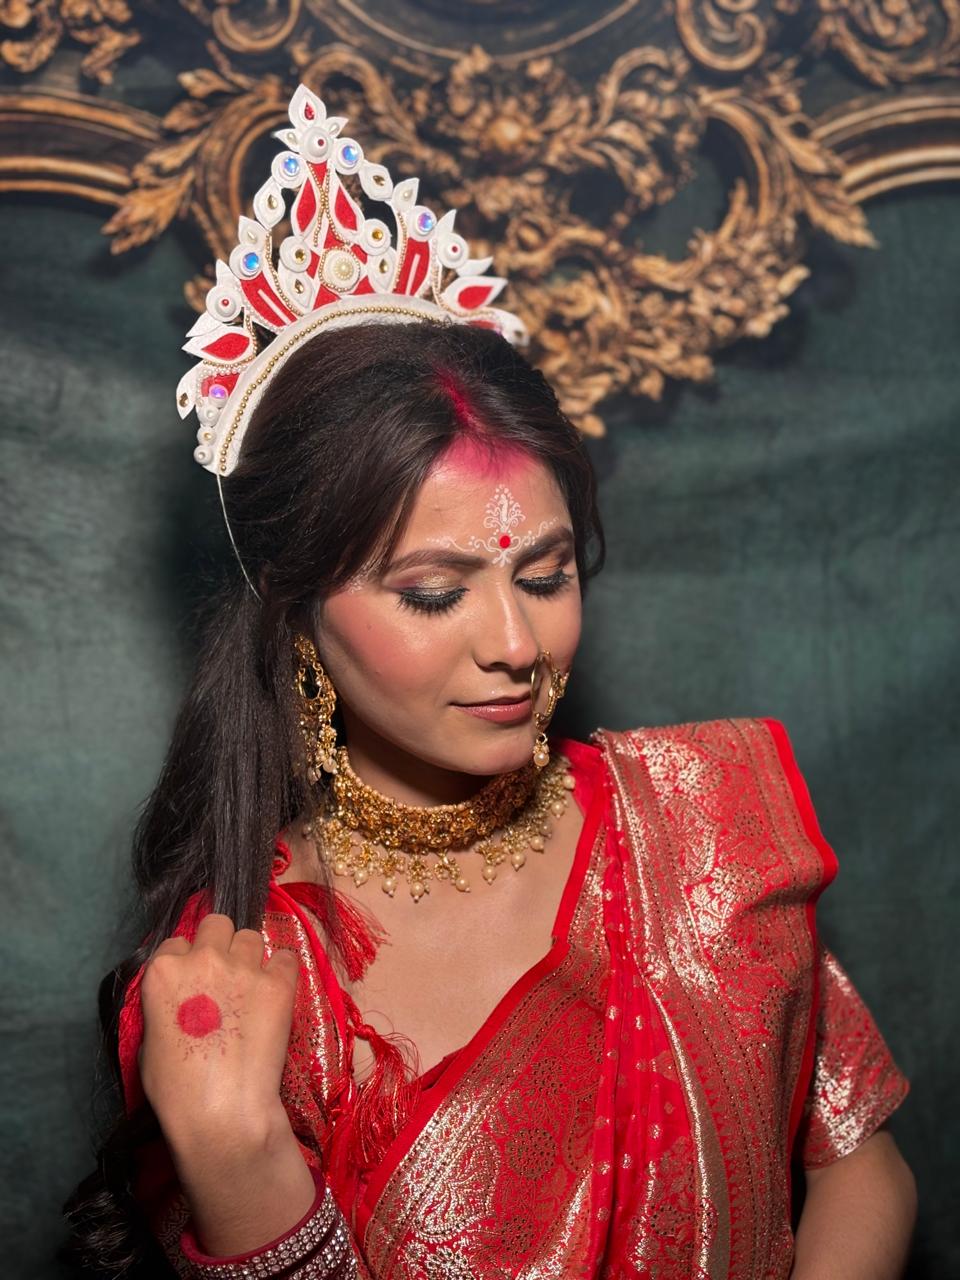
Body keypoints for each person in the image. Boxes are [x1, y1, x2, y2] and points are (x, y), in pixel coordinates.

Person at [63, 85, 916, 1279]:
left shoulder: (702, 822)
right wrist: (237, 1158)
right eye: (433, 591)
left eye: (549, 572)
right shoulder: (250, 976)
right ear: (298, 611)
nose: (517, 641)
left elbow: (861, 1163)